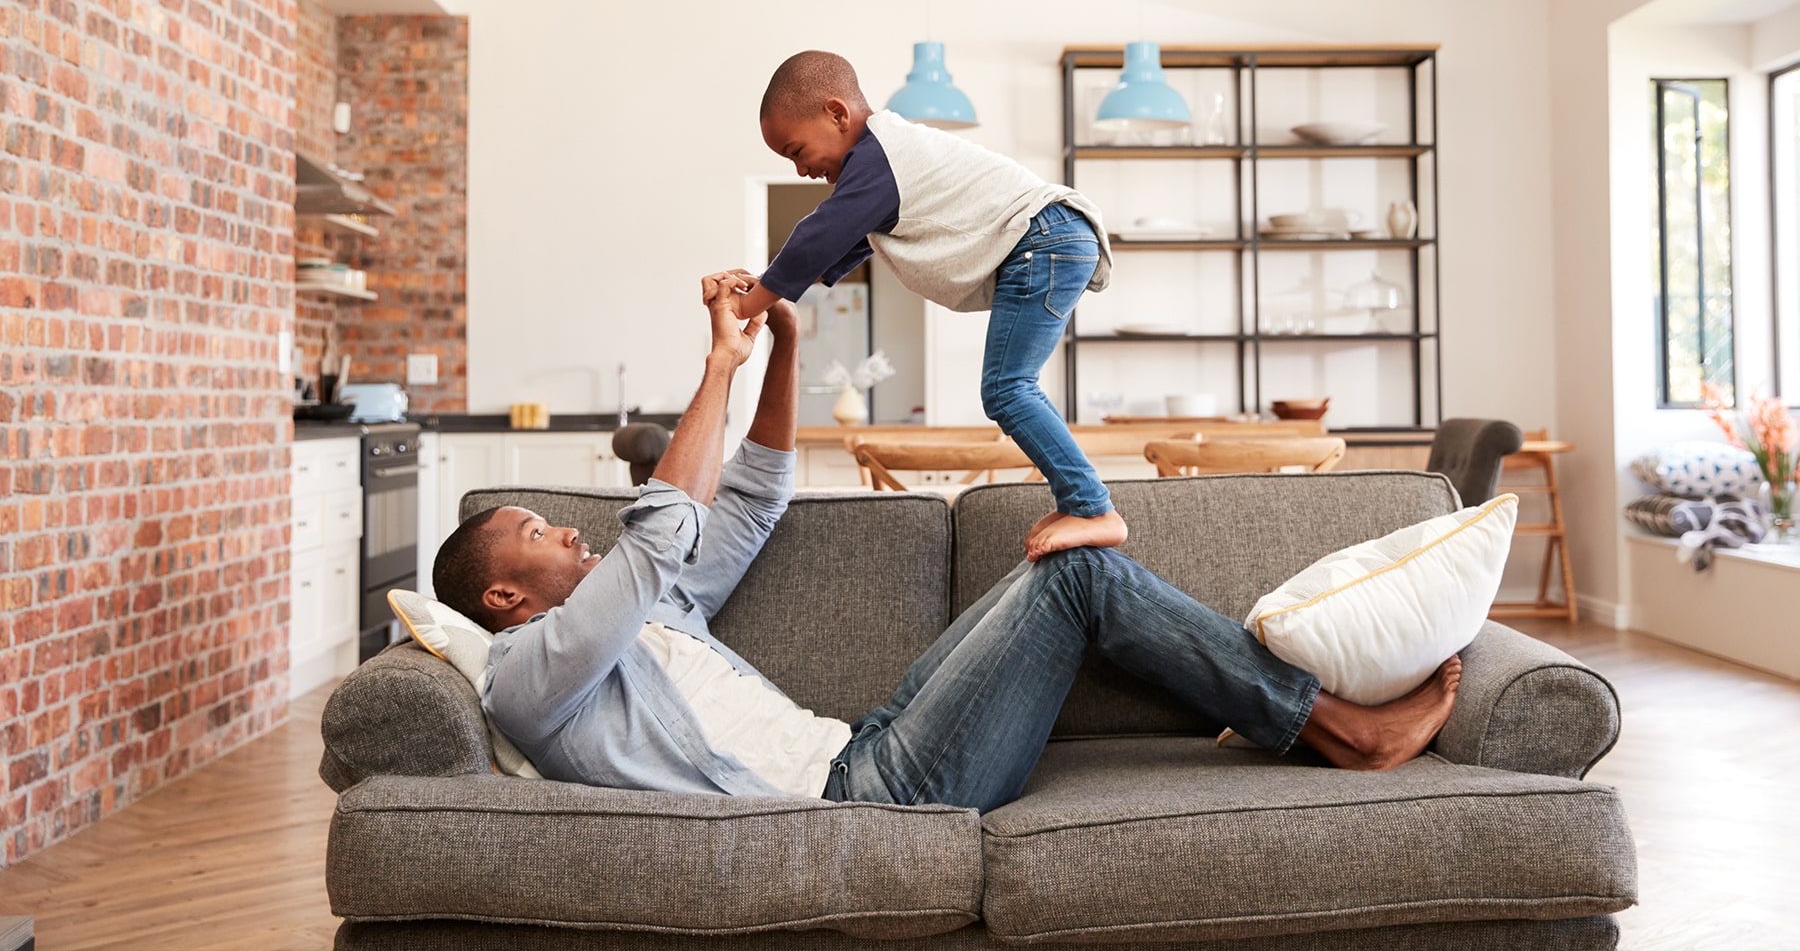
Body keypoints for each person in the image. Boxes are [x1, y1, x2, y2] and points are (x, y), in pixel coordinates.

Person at [429, 273, 1463, 811]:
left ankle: (1283, 713)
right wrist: (718, 364)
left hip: (866, 740)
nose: (565, 528)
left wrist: (786, 343)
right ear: (507, 600)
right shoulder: (534, 673)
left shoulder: (652, 610)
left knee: (1066, 561)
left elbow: (754, 494)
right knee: (1080, 574)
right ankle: (1338, 727)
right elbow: (658, 535)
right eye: (536, 533)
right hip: (869, 798)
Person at [727, 49, 1123, 561]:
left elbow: (817, 236)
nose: (801, 169)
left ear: (837, 114)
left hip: (1044, 239)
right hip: (1052, 238)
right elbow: (843, 244)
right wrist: (764, 289)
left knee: (1007, 389)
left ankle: (1093, 507)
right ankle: (1080, 501)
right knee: (1010, 388)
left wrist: (745, 306)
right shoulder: (885, 161)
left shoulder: (881, 156)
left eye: (797, 150)